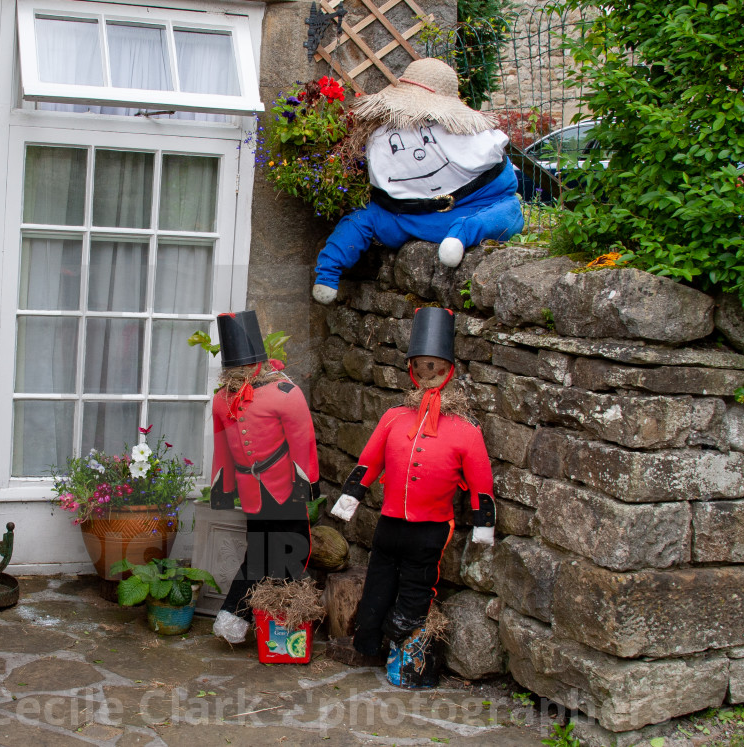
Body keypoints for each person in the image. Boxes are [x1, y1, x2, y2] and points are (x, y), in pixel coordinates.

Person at [330, 307, 495, 687]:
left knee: (416, 593)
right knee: (377, 584)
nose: (426, 374)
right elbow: (368, 461)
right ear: (411, 370)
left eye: (434, 367)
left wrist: (483, 525)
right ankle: (368, 641)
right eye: (420, 367)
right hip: (389, 523)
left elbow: (481, 481)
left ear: (448, 369)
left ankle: (399, 648)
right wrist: (350, 500)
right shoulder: (393, 416)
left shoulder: (466, 429)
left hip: (431, 528)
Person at [312, 58, 524, 305]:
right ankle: (328, 272)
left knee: (506, 213)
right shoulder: (390, 127)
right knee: (363, 218)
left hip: (450, 210)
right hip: (403, 217)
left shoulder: (461, 131)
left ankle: (463, 232)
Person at [209, 311, 320, 644]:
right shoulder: (220, 401)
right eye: (233, 369)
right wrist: (223, 489)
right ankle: (248, 619)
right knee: (259, 552)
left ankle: (280, 619)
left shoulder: (286, 393)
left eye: (243, 368)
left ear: (257, 364)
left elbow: (303, 442)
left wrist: (308, 484)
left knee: (293, 549)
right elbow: (222, 449)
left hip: (284, 485)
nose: (237, 374)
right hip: (252, 491)